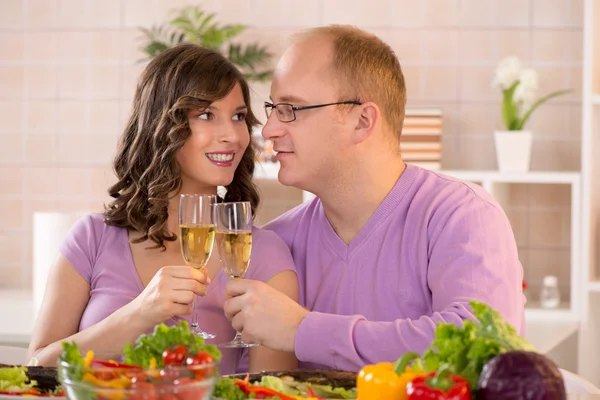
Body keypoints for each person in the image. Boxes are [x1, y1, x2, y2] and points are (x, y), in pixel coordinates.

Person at [223, 25, 526, 372]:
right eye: (273, 108)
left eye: (291, 108)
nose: (269, 130)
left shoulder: (462, 215)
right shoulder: (278, 244)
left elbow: (481, 348)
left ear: (363, 121)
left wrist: (303, 330)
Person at [27, 44, 299, 374]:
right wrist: (141, 312)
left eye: (238, 116)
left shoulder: (266, 256)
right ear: (163, 124)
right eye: (205, 115)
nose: (232, 135)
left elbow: (272, 393)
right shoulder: (91, 239)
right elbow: (36, 368)